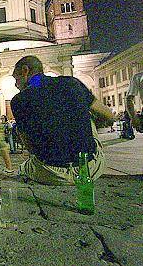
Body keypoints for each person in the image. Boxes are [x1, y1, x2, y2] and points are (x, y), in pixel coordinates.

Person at [10, 56, 114, 185]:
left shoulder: (18, 100)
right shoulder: (72, 83)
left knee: (23, 168)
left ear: (25, 71)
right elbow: (109, 116)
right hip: (89, 169)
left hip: (50, 173)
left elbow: (30, 147)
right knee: (88, 112)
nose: (16, 84)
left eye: (16, 79)